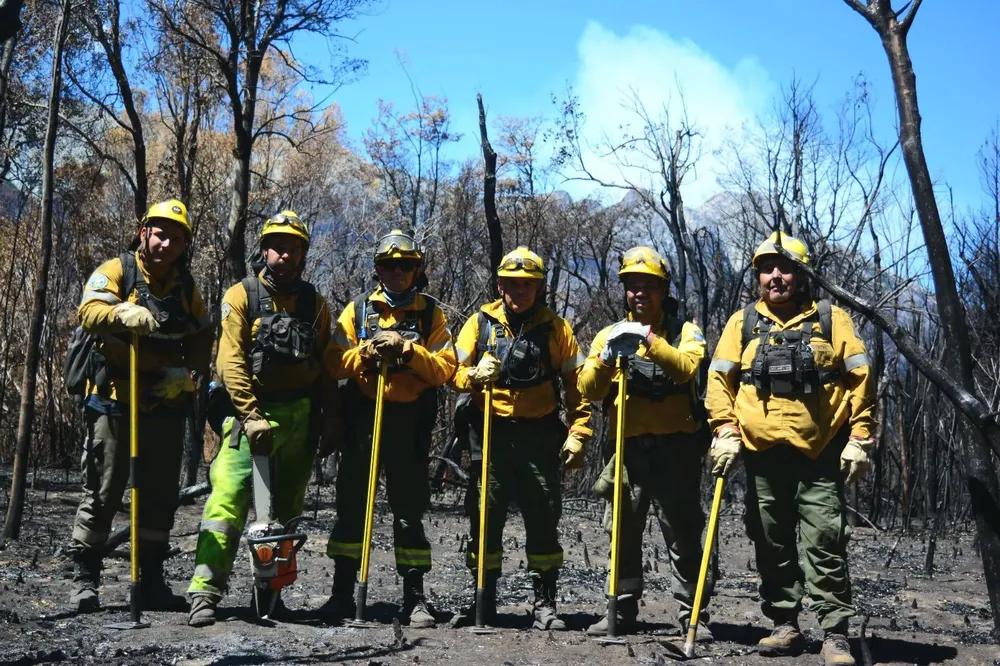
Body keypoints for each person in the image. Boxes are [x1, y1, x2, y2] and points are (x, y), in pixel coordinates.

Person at [705, 231, 876, 666]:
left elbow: (860, 378)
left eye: (785, 268)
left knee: (824, 540)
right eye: (767, 268)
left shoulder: (830, 319)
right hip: (762, 458)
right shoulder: (741, 324)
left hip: (818, 455)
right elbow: (719, 381)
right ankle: (785, 624)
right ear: (757, 275)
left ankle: (835, 634)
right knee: (771, 541)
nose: (775, 276)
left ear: (801, 275)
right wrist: (724, 430)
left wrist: (860, 438)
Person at [187, 211, 340, 627]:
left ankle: (270, 593)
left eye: (295, 247)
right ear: (265, 249)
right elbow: (230, 361)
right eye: (279, 246)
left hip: (301, 417)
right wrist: (250, 414)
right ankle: (205, 592)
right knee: (229, 500)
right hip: (249, 417)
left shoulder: (316, 303)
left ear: (304, 253)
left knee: (285, 511)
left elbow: (327, 363)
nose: (286, 255)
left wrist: (330, 420)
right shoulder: (242, 295)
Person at [68, 199, 212, 612]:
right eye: (160, 233)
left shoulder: (186, 288)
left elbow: (202, 334)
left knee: (159, 494)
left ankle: (151, 580)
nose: (166, 243)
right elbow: (88, 308)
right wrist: (119, 312)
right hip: (114, 401)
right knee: (103, 489)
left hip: (164, 404)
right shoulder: (117, 271)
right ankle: (85, 578)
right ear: (144, 231)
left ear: (184, 245)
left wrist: (189, 377)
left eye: (177, 237)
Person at [450, 246, 592, 630]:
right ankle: (484, 600)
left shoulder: (557, 329)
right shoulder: (478, 324)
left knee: (544, 516)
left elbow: (578, 389)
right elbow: (450, 371)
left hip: (539, 435)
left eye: (528, 285)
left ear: (540, 287)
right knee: (484, 517)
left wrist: (579, 432)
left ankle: (544, 603)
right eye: (513, 284)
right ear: (500, 285)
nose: (520, 291)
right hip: (490, 435)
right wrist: (472, 375)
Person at [321, 229, 456, 628]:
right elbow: (333, 362)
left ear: (417, 269)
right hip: (363, 417)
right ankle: (342, 594)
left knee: (408, 512)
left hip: (409, 423)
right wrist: (367, 351)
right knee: (351, 508)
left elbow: (445, 370)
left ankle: (414, 599)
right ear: (377, 268)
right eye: (389, 265)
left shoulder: (432, 314)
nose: (397, 271)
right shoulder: (358, 310)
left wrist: (408, 350)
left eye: (406, 265)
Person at [577, 246, 713, 639]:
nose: (640, 293)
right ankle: (620, 610)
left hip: (678, 449)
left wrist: (647, 339)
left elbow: (687, 369)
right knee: (621, 531)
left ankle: (692, 615)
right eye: (632, 286)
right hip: (628, 449)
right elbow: (587, 387)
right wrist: (605, 356)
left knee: (683, 532)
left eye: (648, 286)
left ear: (663, 289)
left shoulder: (686, 329)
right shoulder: (608, 333)